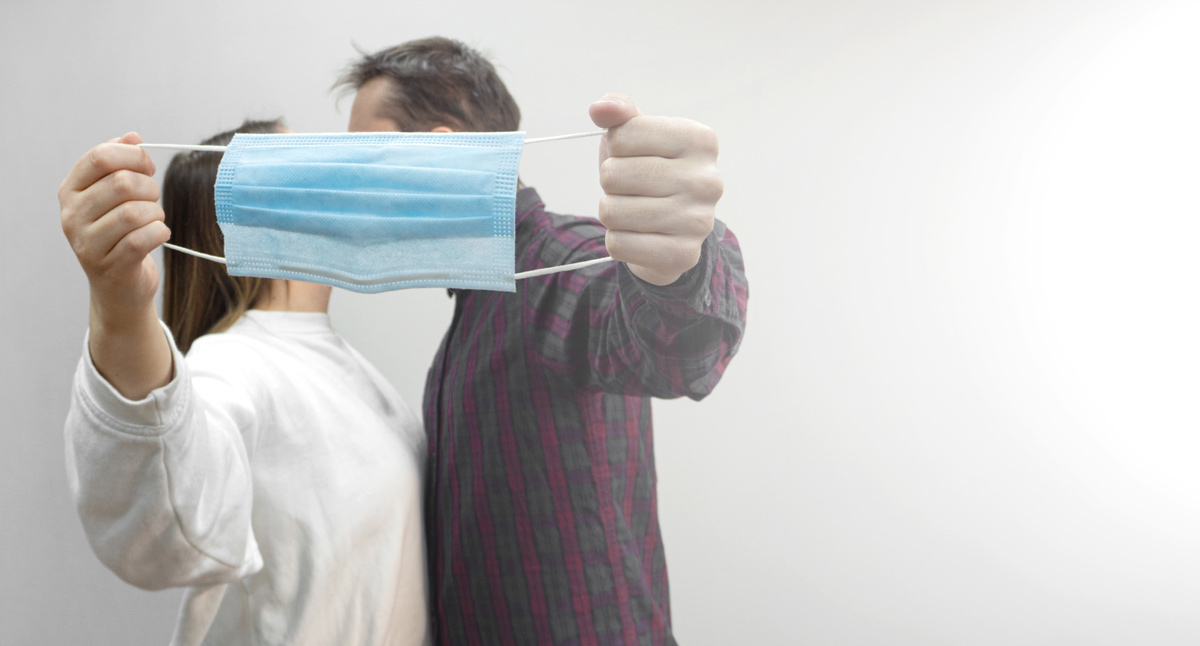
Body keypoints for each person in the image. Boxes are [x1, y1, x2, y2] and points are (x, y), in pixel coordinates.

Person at [336, 38, 749, 645]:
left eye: (361, 162)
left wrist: (678, 268)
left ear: (439, 154)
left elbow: (673, 351)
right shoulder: (473, 316)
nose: (349, 192)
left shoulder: (557, 266)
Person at [58, 120, 430, 646]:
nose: (338, 175)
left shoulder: (331, 356)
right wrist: (121, 311)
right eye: (308, 163)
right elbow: (159, 530)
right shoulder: (233, 362)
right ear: (256, 222)